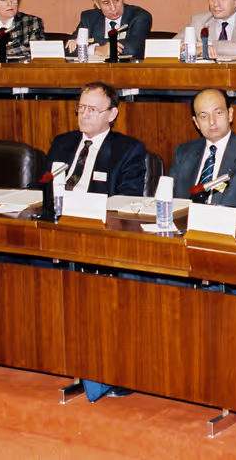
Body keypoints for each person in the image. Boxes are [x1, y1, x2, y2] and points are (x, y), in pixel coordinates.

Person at [43, 81, 146, 403]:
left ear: (112, 114)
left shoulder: (129, 149)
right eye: (81, 108)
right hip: (59, 228)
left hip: (100, 234)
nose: (84, 115)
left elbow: (124, 202)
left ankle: (98, 367)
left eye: (93, 109)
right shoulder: (62, 143)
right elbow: (45, 190)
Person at [168, 88, 236, 209]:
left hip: (228, 226)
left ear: (230, 114)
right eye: (204, 116)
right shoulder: (184, 152)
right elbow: (166, 199)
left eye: (218, 113)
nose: (212, 121)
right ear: (196, 123)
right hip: (184, 225)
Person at [65, 0, 152, 60]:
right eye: (106, 3)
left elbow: (133, 49)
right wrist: (97, 50)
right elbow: (68, 49)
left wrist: (92, 41)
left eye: (117, 0)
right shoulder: (89, 18)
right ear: (97, 4)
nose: (113, 8)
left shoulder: (140, 17)